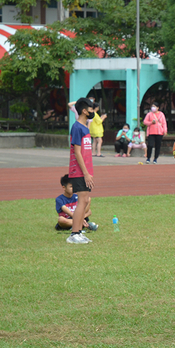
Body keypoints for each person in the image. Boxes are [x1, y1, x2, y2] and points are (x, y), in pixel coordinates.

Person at [67, 97, 95, 244]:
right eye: (91, 109)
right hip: (79, 171)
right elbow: (77, 152)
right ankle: (74, 234)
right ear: (84, 111)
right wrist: (85, 173)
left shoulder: (85, 128)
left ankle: (78, 232)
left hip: (85, 171)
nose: (93, 111)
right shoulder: (77, 127)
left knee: (84, 201)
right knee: (82, 201)